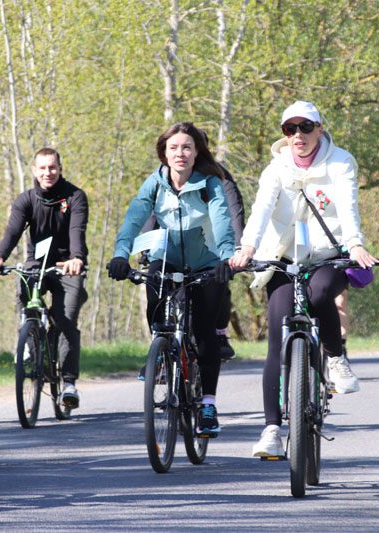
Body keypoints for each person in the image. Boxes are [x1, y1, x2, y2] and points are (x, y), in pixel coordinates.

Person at [229, 100, 379, 457]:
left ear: (319, 130)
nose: (298, 135)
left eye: (305, 127)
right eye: (290, 129)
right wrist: (247, 247)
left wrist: (355, 244)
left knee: (321, 291)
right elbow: (262, 208)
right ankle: (270, 431)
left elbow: (347, 204)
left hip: (329, 254)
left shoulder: (340, 161)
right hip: (284, 256)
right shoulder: (276, 168)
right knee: (278, 330)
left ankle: (336, 358)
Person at [107, 122, 235, 437]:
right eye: (174, 148)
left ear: (197, 153)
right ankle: (162, 349)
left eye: (187, 147)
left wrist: (226, 259)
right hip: (168, 258)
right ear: (164, 153)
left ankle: (207, 404)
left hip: (207, 263)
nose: (180, 153)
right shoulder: (155, 182)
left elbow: (222, 221)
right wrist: (121, 255)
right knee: (153, 281)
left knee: (206, 336)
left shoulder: (211, 183)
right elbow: (133, 219)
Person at [0, 147, 88, 408]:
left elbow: (77, 229)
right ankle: (29, 339)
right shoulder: (26, 200)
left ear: (60, 168)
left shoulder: (75, 196)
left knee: (66, 319)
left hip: (67, 266)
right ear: (34, 171)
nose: (47, 173)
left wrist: (77, 258)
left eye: (52, 167)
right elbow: (13, 231)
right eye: (42, 168)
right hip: (37, 264)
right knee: (24, 291)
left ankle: (68, 383)